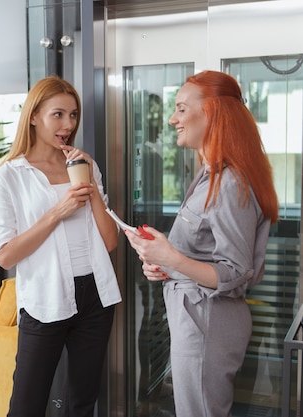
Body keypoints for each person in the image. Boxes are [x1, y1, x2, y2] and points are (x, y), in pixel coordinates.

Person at [124, 70, 279, 416]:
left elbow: (235, 271)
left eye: (181, 108)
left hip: (207, 322)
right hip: (197, 317)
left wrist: (173, 259)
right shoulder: (208, 176)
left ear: (210, 113)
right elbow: (203, 255)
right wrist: (162, 262)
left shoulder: (228, 183)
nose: (172, 118)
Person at [0, 75, 121, 417]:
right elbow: (5, 254)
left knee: (81, 402)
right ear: (33, 116)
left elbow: (109, 241)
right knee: (26, 406)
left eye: (73, 115)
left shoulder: (85, 165)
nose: (68, 124)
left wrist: (89, 183)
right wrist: (58, 212)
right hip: (44, 298)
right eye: (58, 114)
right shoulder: (11, 176)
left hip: (95, 295)